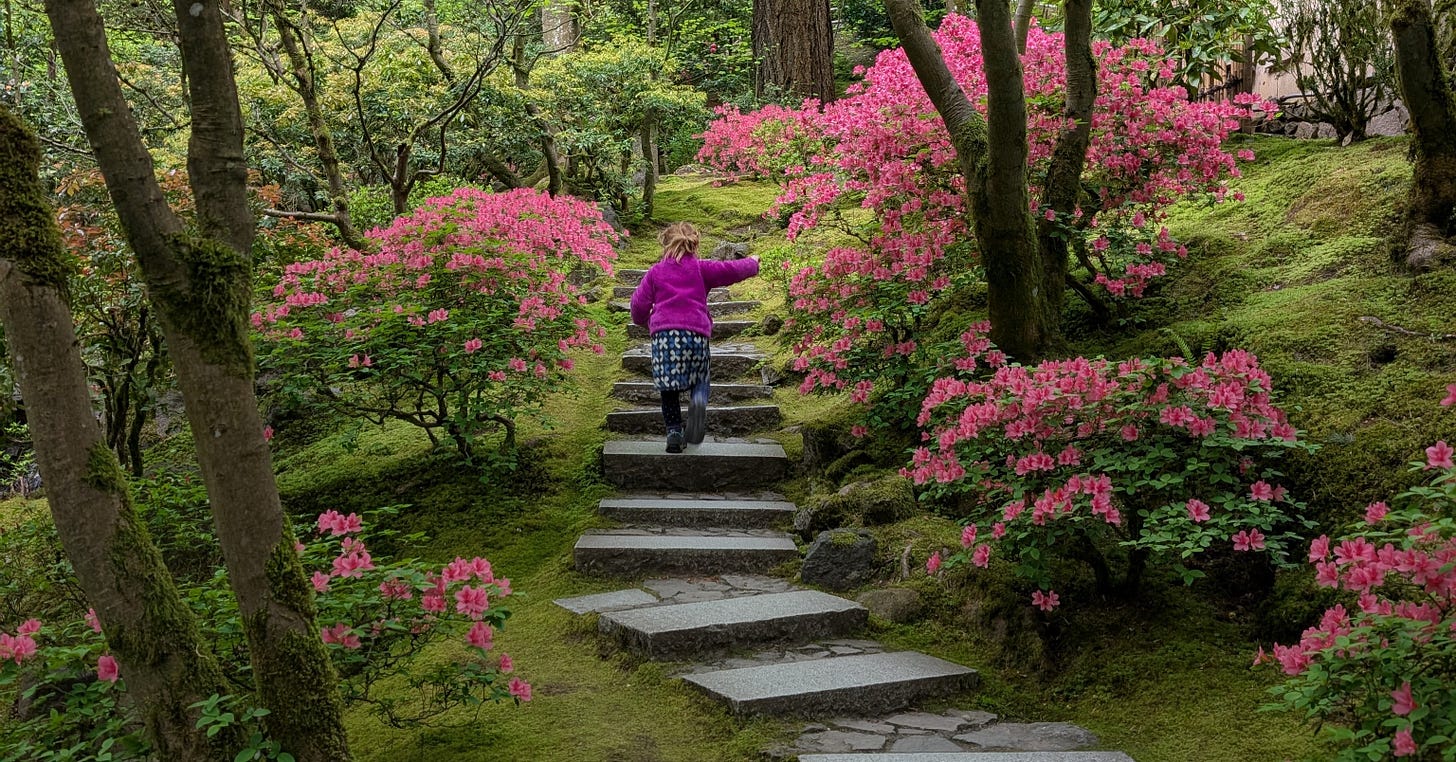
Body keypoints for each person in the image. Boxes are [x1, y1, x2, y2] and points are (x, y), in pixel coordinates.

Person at [629, 222, 759, 453]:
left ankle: (674, 432)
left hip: (664, 337)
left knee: (668, 388)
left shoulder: (656, 272)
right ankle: (697, 408)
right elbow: (730, 270)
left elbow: (639, 305)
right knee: (700, 378)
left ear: (665, 243)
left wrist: (644, 320)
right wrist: (753, 262)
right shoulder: (701, 268)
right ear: (694, 244)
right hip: (695, 334)